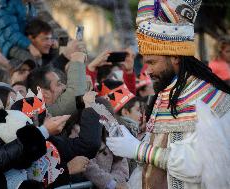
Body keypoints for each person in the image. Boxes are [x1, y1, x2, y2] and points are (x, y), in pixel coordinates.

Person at [106, 0, 230, 189]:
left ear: (175, 57)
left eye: (152, 62)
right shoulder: (166, 93)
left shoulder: (207, 99)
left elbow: (200, 165)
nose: (147, 70)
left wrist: (139, 150)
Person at [27, 52, 87, 116]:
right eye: (58, 84)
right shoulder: (44, 114)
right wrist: (77, 61)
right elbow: (74, 93)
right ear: (45, 93)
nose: (64, 86)